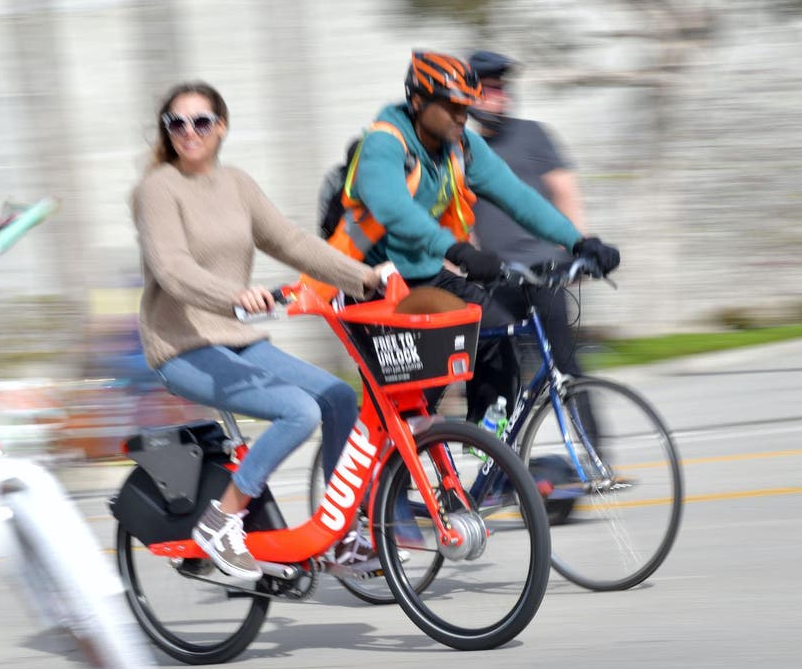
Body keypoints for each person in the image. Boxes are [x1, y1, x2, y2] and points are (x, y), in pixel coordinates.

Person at [132, 81, 393, 581]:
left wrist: (364, 277)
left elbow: (291, 242)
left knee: (338, 396)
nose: (189, 131)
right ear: (169, 132)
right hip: (181, 346)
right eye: (177, 123)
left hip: (235, 339)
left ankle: (340, 533)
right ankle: (221, 520)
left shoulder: (237, 184)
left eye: (201, 121)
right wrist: (232, 295)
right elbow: (172, 269)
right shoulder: (158, 190)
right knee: (298, 410)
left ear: (221, 127)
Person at [353, 50, 621, 424]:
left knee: (495, 330)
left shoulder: (461, 145)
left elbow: (519, 197)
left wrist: (577, 241)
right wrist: (457, 249)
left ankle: (487, 448)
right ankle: (401, 444)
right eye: (451, 107)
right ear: (417, 102)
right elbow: (394, 209)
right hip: (371, 279)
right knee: (429, 371)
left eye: (466, 106)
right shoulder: (385, 143)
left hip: (424, 271)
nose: (462, 116)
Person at [467, 49, 590, 384]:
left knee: (565, 365)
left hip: (544, 272)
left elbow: (565, 190)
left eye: (502, 89)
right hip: (496, 279)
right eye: (490, 90)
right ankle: (495, 438)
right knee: (495, 373)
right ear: (472, 96)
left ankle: (592, 438)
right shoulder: (462, 149)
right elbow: (463, 219)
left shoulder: (533, 134)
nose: (501, 97)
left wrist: (577, 249)